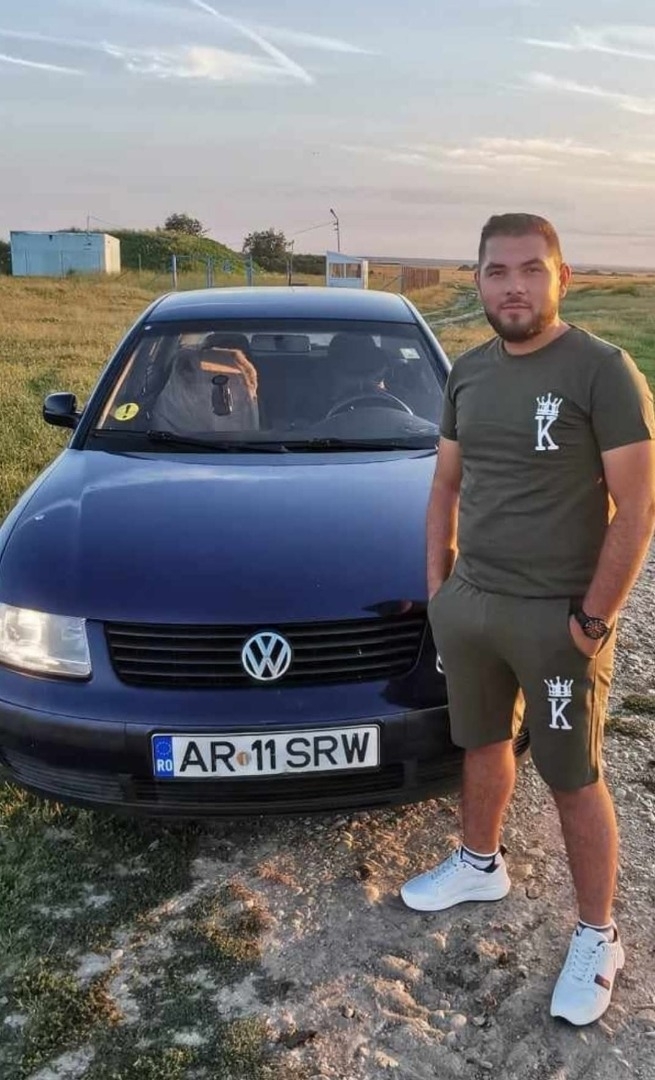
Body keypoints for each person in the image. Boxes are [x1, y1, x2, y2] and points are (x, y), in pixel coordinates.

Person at [400, 213, 655, 1026]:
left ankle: (597, 935)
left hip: (556, 615)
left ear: (561, 277)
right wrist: (440, 590)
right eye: (496, 271)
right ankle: (480, 863)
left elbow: (637, 507)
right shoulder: (468, 373)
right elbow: (445, 485)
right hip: (472, 605)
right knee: (479, 742)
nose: (513, 287)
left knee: (571, 776)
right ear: (476, 280)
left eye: (530, 269)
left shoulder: (601, 370)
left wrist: (592, 621)